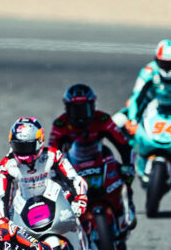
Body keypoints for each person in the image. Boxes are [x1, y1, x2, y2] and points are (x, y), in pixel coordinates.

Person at [49, 83, 137, 228]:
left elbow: (124, 145)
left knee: (126, 176)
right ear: (67, 108)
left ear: (93, 106)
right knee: (59, 193)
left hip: (100, 160)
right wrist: (55, 175)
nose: (80, 115)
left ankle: (127, 208)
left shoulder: (102, 119)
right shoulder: (60, 125)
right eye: (75, 110)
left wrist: (128, 166)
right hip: (73, 165)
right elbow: (52, 153)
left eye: (84, 109)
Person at [0, 117, 89, 222]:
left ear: (39, 141)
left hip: (55, 204)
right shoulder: (6, 165)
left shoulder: (53, 155)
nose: (23, 152)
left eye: (27, 146)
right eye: (18, 146)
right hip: (23, 211)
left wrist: (80, 198)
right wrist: (3, 219)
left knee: (82, 216)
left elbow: (74, 178)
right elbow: (0, 197)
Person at [121, 39, 171, 151]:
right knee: (118, 121)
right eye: (164, 63)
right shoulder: (148, 72)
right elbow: (136, 97)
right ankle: (130, 154)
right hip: (150, 101)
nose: (168, 68)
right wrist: (132, 119)